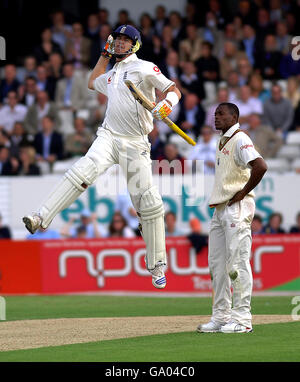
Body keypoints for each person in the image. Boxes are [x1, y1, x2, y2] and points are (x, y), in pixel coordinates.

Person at [22, 25, 182, 290]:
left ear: (135, 44)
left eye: (125, 40)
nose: (119, 44)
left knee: (150, 204)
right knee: (82, 171)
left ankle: (157, 266)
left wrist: (167, 104)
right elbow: (91, 82)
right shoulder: (112, 74)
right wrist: (104, 56)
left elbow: (173, 89)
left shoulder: (144, 67)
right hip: (108, 137)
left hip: (135, 144)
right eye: (117, 40)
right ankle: (41, 217)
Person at [197, 102, 267, 334]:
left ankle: (243, 318)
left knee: (237, 263)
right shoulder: (222, 140)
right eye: (215, 114)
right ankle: (221, 316)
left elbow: (260, 166)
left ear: (234, 116)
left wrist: (244, 192)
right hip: (220, 208)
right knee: (217, 265)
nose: (215, 117)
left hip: (236, 206)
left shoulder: (240, 138)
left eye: (221, 114)